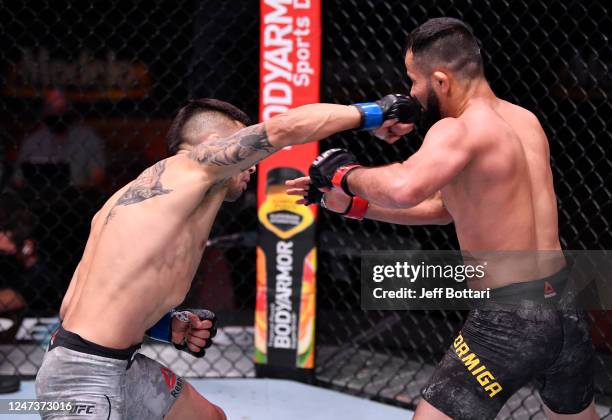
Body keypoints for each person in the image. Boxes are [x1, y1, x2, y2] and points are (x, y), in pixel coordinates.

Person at [287, 17, 597, 420]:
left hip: (510, 317)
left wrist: (343, 172)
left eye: (413, 81)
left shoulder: (458, 130)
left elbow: (404, 188)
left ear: (440, 80)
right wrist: (351, 204)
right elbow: (445, 208)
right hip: (565, 306)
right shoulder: (524, 121)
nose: (411, 93)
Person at [35, 96, 415, 419]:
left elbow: (84, 303)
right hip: (81, 380)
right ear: (214, 143)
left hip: (109, 362)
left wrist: (165, 326)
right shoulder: (196, 164)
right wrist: (377, 112)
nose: (252, 164)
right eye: (243, 147)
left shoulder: (149, 199)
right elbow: (284, 128)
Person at [13, 89, 105, 189]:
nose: (57, 116)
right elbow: (18, 179)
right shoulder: (32, 141)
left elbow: (98, 176)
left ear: (69, 110)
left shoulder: (87, 137)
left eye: (61, 110)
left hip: (77, 197)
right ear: (45, 111)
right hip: (38, 199)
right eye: (53, 110)